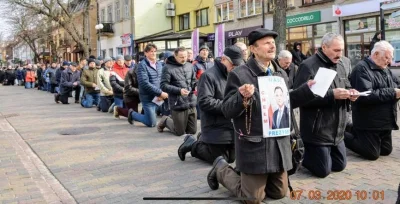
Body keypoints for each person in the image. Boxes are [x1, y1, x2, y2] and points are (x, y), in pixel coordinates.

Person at [206, 28, 317, 203]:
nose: (272, 46)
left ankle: (250, 177)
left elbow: (285, 101)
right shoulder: (240, 74)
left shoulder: (280, 72)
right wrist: (241, 96)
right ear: (254, 49)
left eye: (273, 43)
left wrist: (307, 90)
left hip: (278, 143)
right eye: (267, 43)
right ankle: (221, 168)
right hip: (255, 145)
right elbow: (227, 109)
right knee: (252, 198)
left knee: (279, 193)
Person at [293, 33, 359, 178]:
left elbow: (346, 84)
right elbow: (299, 98)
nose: (340, 54)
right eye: (336, 50)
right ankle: (304, 155)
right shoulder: (308, 66)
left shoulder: (341, 64)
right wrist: (332, 95)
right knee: (323, 171)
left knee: (339, 165)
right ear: (324, 47)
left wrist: (351, 93)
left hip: (337, 130)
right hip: (317, 130)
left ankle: (323, 154)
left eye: (341, 50)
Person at [177, 45, 244, 164]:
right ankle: (193, 145)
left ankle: (202, 139)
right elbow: (204, 102)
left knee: (232, 158)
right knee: (219, 159)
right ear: (223, 59)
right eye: (233, 65)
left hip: (231, 125)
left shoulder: (236, 74)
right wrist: (230, 106)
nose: (235, 68)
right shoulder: (208, 76)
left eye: (237, 65)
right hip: (215, 125)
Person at [345, 41, 399, 160]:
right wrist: (393, 92)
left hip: (385, 121)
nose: (389, 61)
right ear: (376, 54)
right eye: (386, 58)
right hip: (368, 122)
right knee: (371, 154)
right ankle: (343, 135)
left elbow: (396, 84)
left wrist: (397, 90)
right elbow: (366, 95)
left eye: (390, 58)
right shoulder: (361, 69)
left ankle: (354, 130)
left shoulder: (385, 69)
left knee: (385, 151)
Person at [157, 47, 197, 136]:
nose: (184, 59)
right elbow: (163, 85)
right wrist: (179, 91)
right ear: (175, 56)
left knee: (192, 131)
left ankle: (181, 123)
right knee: (179, 132)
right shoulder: (167, 68)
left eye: (185, 56)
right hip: (177, 102)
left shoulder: (190, 65)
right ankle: (166, 120)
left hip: (191, 101)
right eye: (181, 57)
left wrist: (196, 86)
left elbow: (193, 80)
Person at [127, 43, 168, 127]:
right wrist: (160, 93)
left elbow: (162, 80)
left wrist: (162, 93)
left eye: (154, 51)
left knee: (159, 114)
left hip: (158, 97)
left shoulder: (159, 64)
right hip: (147, 98)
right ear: (145, 53)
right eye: (150, 51)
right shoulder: (141, 65)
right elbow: (144, 83)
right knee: (152, 123)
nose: (153, 53)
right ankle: (132, 114)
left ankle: (149, 114)